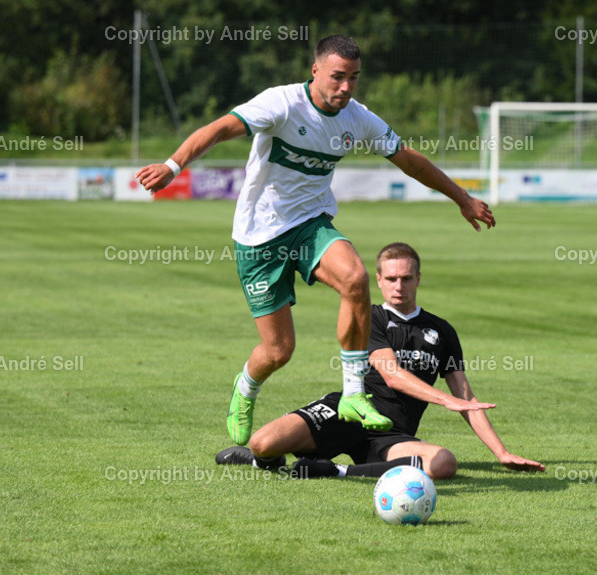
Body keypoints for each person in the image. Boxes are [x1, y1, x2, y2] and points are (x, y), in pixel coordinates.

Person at [136, 35, 496, 447]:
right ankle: (246, 387)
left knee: (356, 277)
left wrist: (462, 198)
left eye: (354, 79)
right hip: (260, 236)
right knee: (278, 351)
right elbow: (219, 129)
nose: (345, 87)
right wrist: (172, 164)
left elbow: (410, 160)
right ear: (316, 71)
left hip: (310, 225)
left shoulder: (357, 118)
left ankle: (355, 394)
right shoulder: (281, 103)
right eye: (338, 77)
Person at [216, 242, 545, 479]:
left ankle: (337, 470)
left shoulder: (442, 331)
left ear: (419, 279)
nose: (398, 286)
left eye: (406, 278)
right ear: (378, 280)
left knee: (444, 463)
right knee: (263, 442)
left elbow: (466, 398)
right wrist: (445, 400)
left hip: (393, 434)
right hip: (348, 410)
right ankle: (261, 462)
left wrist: (501, 453)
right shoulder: (370, 316)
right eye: (391, 279)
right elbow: (391, 374)